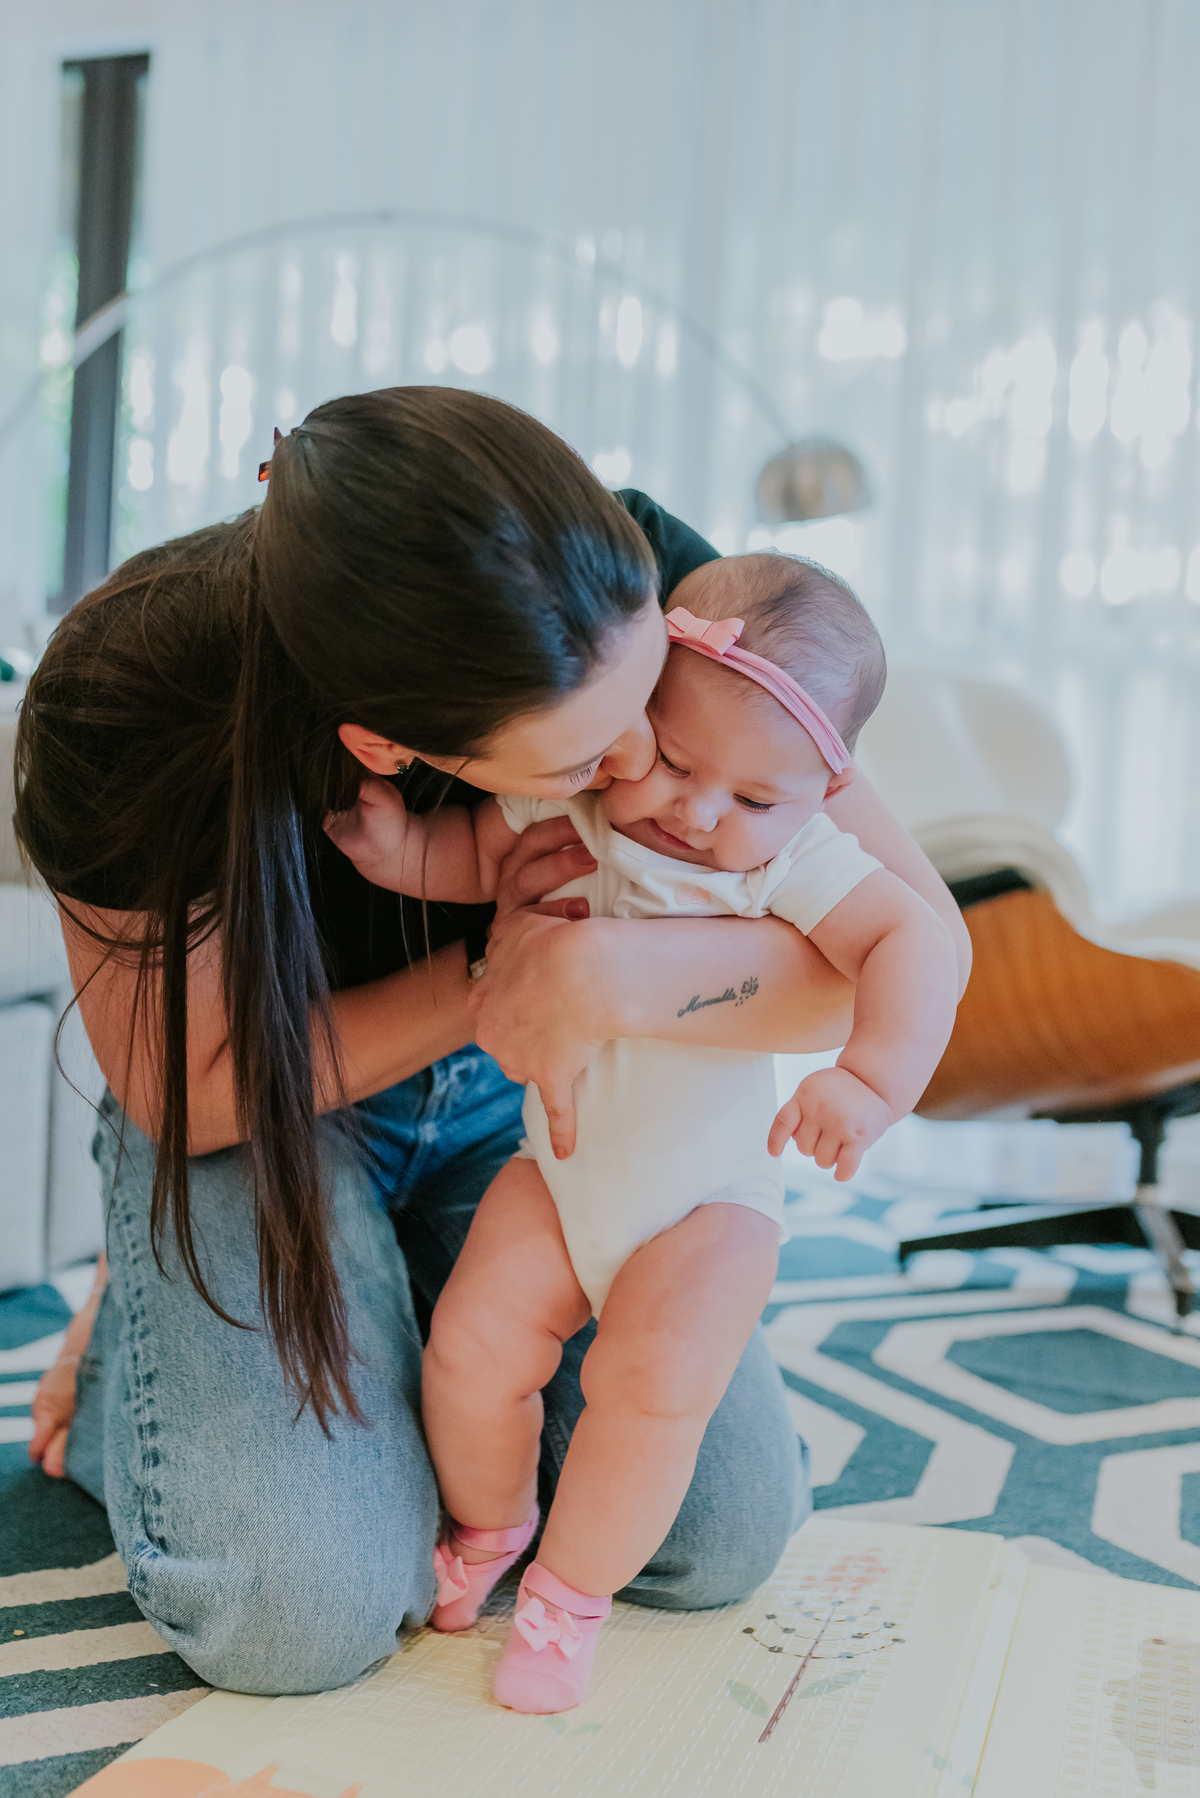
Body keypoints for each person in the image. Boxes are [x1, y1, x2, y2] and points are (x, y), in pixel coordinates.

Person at [17, 387, 971, 1698]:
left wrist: (597, 968)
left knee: (712, 1540)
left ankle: (373, 1333)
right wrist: (496, 976)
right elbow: (198, 1085)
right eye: (598, 749)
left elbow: (895, 952)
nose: (654, 764)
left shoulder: (661, 594)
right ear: (399, 751)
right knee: (302, 1614)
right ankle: (150, 1319)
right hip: (272, 1115)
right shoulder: (131, 698)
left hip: (543, 1103)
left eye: (652, 693)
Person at [326, 550, 960, 1711]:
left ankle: (569, 1601)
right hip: (552, 1176)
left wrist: (869, 1082)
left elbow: (913, 942)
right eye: (671, 760)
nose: (698, 812)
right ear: (634, 717)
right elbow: (476, 856)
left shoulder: (795, 862)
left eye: (755, 799)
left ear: (825, 790)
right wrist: (399, 853)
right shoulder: (581, 795)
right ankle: (493, 1526)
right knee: (473, 1351)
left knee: (651, 1387)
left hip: (713, 1202)